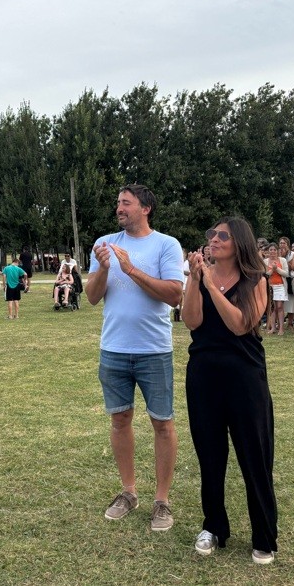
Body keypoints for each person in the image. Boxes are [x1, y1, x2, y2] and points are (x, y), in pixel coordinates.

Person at [86, 184, 184, 533]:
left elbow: (175, 294)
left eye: (126, 203)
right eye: (117, 203)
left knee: (163, 423)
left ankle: (162, 500)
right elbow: (93, 297)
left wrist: (131, 271)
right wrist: (102, 269)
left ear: (146, 208)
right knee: (120, 420)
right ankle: (128, 492)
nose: (119, 208)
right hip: (113, 349)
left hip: (153, 351)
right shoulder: (104, 244)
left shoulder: (166, 244)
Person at [182, 217, 277, 565]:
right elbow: (191, 320)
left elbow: (240, 324)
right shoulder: (200, 277)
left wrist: (209, 282)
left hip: (245, 378)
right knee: (210, 455)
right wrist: (196, 281)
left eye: (222, 235)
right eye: (212, 234)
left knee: (255, 456)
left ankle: (264, 534)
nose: (214, 239)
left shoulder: (255, 280)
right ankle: (214, 526)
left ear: (239, 243)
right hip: (203, 375)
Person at [263, 244, 289, 335]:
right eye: (271, 249)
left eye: (274, 249)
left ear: (277, 251)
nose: (273, 251)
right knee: (272, 308)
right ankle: (273, 327)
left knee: (280, 306)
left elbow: (286, 274)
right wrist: (272, 270)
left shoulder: (283, 260)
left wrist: (277, 268)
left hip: (280, 286)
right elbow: (265, 275)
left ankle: (281, 328)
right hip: (270, 286)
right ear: (268, 251)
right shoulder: (265, 261)